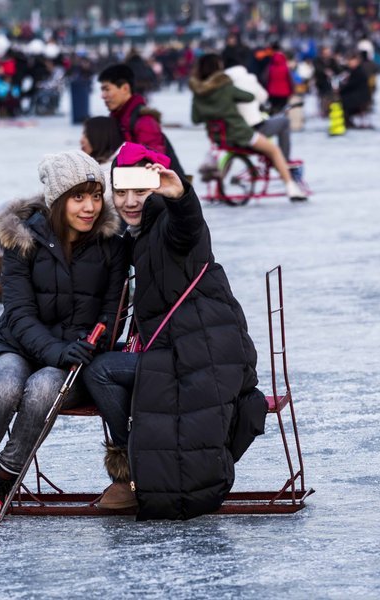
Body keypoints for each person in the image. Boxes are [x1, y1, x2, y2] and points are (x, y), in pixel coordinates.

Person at [0, 150, 127, 523]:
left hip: (75, 358)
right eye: (78, 197)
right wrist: (57, 349)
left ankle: (4, 478)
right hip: (18, 344)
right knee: (4, 386)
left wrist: (92, 342)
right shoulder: (22, 240)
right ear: (57, 200)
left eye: (95, 195)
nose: (90, 207)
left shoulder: (111, 243)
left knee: (41, 390)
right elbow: (18, 313)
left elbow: (110, 312)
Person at [83, 142, 267, 519]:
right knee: (106, 362)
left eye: (140, 191)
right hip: (183, 345)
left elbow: (188, 226)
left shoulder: (168, 223)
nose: (129, 201)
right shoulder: (138, 235)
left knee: (100, 371)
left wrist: (180, 194)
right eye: (121, 192)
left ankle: (131, 467)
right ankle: (134, 464)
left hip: (202, 353)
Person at [0, 116, 124, 303]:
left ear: (99, 137)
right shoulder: (90, 167)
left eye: (85, 134)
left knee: (7, 215)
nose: (81, 139)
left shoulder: (105, 174)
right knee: (8, 215)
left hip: (69, 231)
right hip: (57, 227)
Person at [189, 53, 307, 201]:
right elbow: (249, 97)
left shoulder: (198, 93)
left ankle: (218, 191)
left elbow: (195, 118)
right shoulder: (225, 86)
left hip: (219, 137)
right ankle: (291, 187)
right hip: (240, 133)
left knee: (232, 152)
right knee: (274, 150)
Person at [339, 51, 372, 128]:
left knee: (342, 102)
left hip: (360, 97)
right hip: (357, 95)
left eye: (352, 62)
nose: (350, 63)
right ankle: (347, 121)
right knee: (342, 100)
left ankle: (347, 121)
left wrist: (340, 90)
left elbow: (351, 85)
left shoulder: (359, 71)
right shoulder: (353, 71)